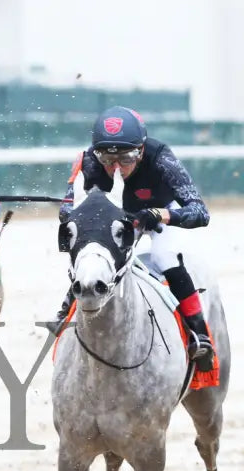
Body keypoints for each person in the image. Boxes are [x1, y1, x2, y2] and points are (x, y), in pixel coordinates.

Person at [51, 106, 214, 370]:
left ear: (141, 150)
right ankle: (67, 309)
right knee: (94, 255)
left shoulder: (161, 157)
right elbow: (67, 211)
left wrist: (160, 214)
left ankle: (200, 333)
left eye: (126, 158)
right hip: (123, 217)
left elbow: (200, 212)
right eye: (107, 159)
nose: (116, 167)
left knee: (165, 256)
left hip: (162, 212)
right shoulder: (88, 161)